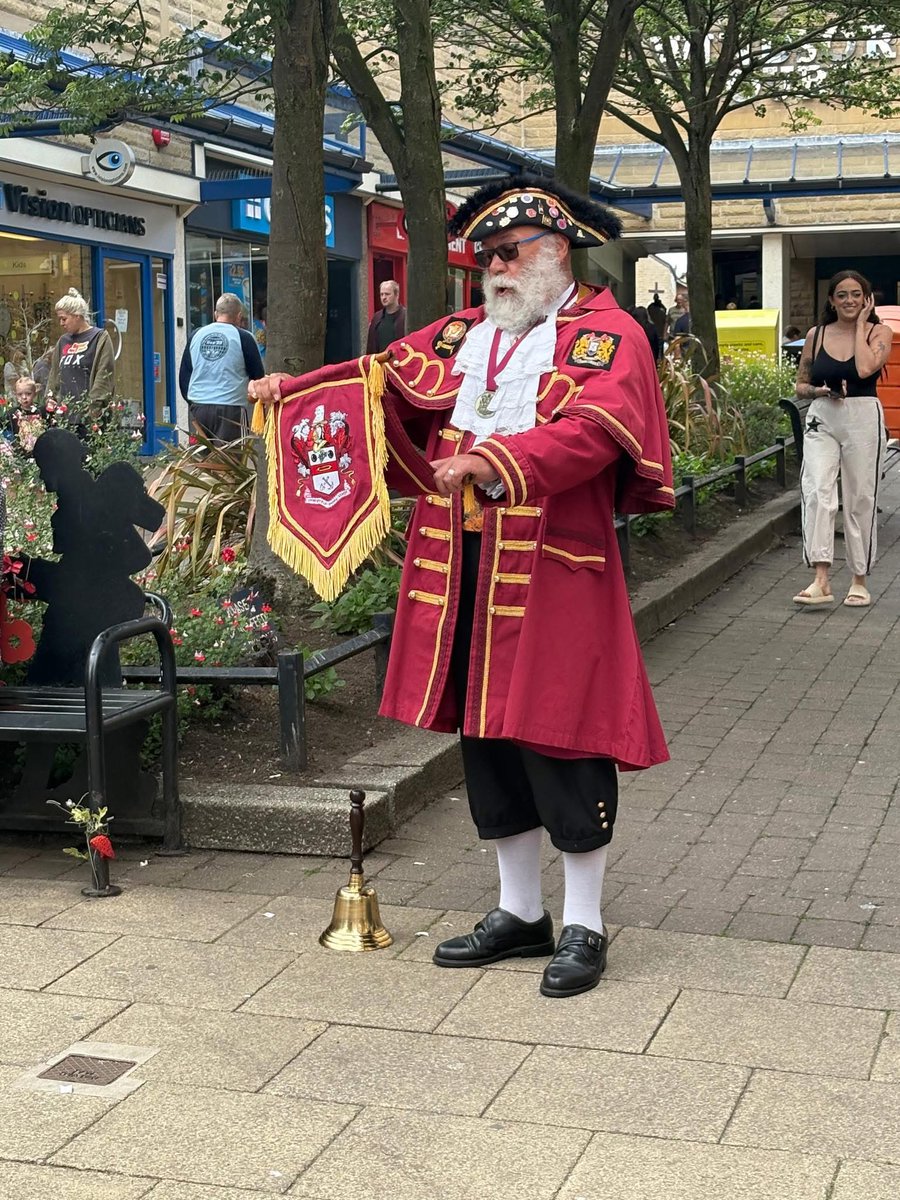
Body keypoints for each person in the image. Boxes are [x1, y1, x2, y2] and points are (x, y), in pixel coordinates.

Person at [251, 176, 674, 999]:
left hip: (554, 567)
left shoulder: (608, 335)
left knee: (562, 736)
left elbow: (590, 433)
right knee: (486, 733)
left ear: (557, 253)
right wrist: (295, 390)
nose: (495, 271)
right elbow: (379, 376)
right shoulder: (469, 332)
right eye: (486, 259)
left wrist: (493, 462)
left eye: (509, 255)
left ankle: (585, 921)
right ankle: (521, 913)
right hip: (462, 570)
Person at [792, 269, 892, 609]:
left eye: (855, 294)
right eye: (842, 295)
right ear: (832, 301)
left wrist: (862, 325)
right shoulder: (816, 334)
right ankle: (821, 577)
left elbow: (865, 369)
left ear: (866, 299)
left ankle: (859, 579)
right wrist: (819, 390)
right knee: (817, 490)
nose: (849, 300)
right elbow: (800, 383)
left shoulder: (880, 332)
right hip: (824, 414)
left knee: (859, 495)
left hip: (863, 415)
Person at [179, 293, 264, 445]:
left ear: (215, 314)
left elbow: (184, 376)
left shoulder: (196, 335)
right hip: (231, 411)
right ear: (238, 316)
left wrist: (193, 403)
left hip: (199, 409)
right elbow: (258, 377)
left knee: (202, 463)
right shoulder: (244, 338)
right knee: (231, 464)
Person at [46, 289, 116, 422]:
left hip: (90, 418)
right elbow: (54, 374)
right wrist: (51, 398)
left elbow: (104, 374)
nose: (61, 323)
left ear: (77, 316)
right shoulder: (63, 341)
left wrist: (94, 406)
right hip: (65, 418)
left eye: (64, 319)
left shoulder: (99, 337)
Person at [366, 280, 407, 354]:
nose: (384, 297)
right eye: (381, 294)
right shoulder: (376, 318)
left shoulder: (405, 316)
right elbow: (370, 347)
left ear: (396, 294)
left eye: (387, 294)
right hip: (380, 363)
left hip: (400, 361)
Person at [10, 377, 46, 454]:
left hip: (41, 451)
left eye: (28, 394)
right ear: (16, 395)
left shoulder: (41, 410)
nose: (24, 397)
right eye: (20, 394)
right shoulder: (13, 413)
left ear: (35, 394)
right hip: (21, 453)